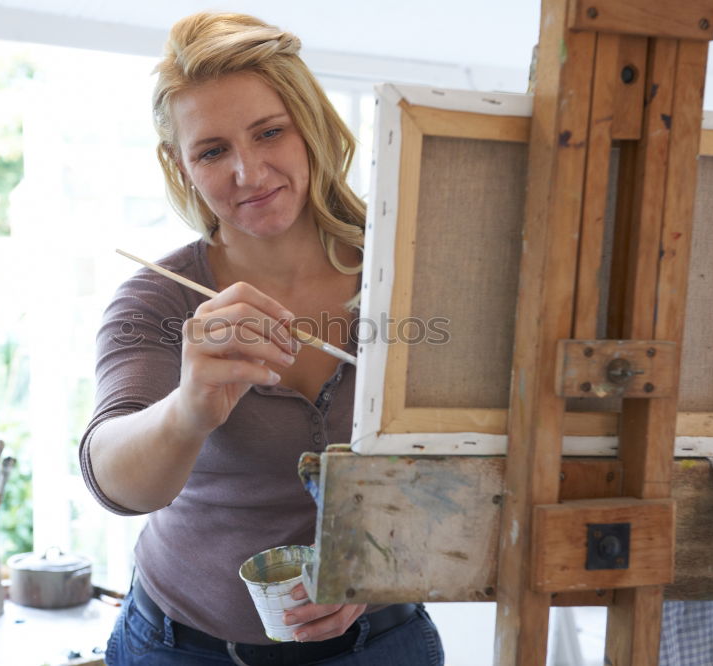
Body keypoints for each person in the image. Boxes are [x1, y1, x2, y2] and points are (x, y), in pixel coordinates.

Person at [79, 11, 445, 665]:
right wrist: (187, 409)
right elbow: (114, 480)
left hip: (382, 643)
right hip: (182, 647)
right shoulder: (158, 297)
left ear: (309, 127)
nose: (249, 172)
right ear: (180, 165)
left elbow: (468, 464)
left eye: (269, 132)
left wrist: (378, 567)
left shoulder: (414, 274)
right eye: (212, 151)